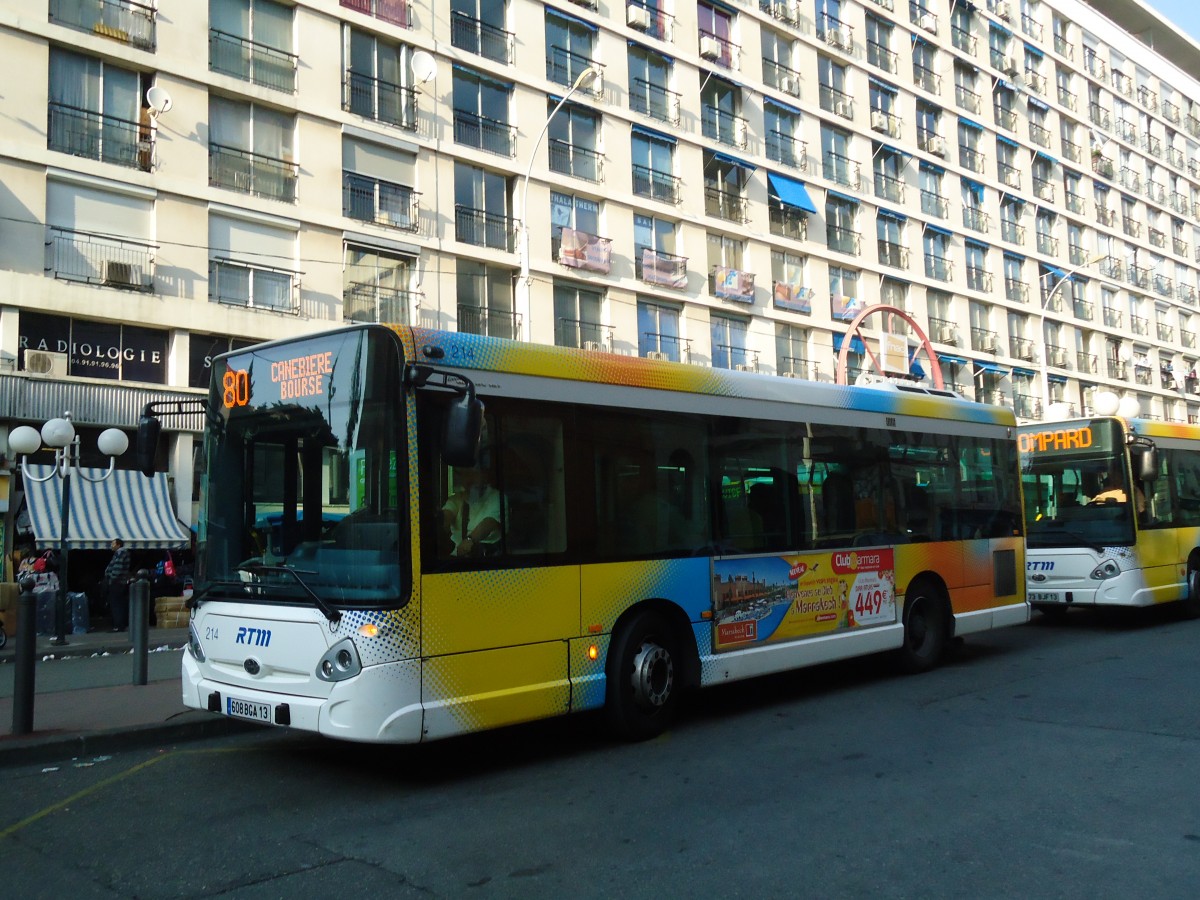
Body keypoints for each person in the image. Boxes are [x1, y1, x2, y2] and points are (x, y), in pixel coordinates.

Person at [441, 464, 503, 558]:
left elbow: (489, 522)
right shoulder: (455, 499)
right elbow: (447, 514)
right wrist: (442, 526)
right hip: (455, 557)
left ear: (484, 475)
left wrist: (470, 540)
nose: (468, 478)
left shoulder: (496, 497)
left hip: (486, 557)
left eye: (472, 474)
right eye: (464, 475)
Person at [104, 537, 132, 631]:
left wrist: (111, 578)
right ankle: (120, 624)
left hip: (117, 583)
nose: (111, 546)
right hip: (120, 582)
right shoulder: (122, 553)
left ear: (118, 545)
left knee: (116, 604)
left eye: (113, 544)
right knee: (119, 603)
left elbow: (117, 568)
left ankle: (118, 625)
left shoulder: (120, 553)